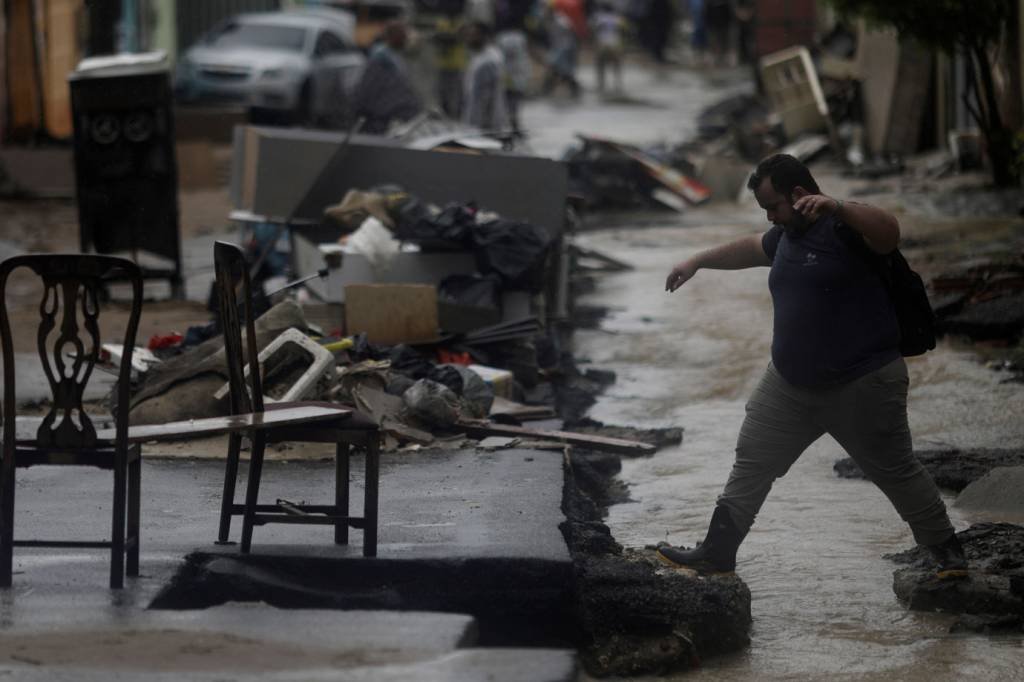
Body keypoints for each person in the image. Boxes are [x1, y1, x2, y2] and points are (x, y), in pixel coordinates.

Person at [657, 154, 968, 580]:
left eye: (773, 206)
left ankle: (947, 554)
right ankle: (717, 552)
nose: (770, 217)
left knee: (895, 470)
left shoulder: (847, 229)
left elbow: (890, 232)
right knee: (752, 461)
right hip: (790, 385)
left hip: (863, 383)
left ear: (800, 195)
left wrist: (837, 206)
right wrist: (697, 261)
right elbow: (751, 247)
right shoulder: (786, 235)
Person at [462, 21, 510, 131]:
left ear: (484, 36)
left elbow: (485, 99)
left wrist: (479, 129)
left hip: (485, 126)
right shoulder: (478, 56)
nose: (469, 39)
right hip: (479, 124)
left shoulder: (488, 61)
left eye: (473, 35)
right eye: (468, 35)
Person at [592, 1, 626, 93]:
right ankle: (618, 85)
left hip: (603, 44)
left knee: (600, 64)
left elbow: (595, 31)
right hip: (615, 44)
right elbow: (623, 31)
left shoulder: (599, 17)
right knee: (616, 65)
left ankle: (601, 85)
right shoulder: (618, 18)